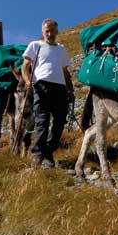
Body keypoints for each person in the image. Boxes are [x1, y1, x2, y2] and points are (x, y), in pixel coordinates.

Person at [22, 19, 74, 168]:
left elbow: (65, 71)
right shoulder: (35, 45)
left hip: (60, 88)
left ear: (57, 31)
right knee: (42, 120)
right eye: (47, 31)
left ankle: (48, 152)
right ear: (43, 31)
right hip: (41, 86)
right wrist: (27, 81)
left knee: (59, 121)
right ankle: (38, 155)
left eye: (52, 31)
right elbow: (25, 66)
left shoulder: (61, 49)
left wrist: (70, 89)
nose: (50, 34)